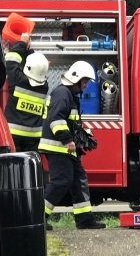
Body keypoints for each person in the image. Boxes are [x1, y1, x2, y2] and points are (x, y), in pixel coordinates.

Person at [39, 61, 105, 230]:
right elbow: (56, 119)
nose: (86, 85)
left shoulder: (69, 94)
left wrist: (81, 135)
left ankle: (84, 220)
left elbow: (69, 121)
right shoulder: (63, 93)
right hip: (58, 147)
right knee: (62, 181)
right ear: (76, 78)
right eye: (85, 81)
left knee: (78, 181)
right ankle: (38, 217)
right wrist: (68, 139)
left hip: (66, 148)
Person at [4, 32, 50, 152]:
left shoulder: (18, 80)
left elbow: (10, 60)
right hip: (33, 136)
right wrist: (28, 50)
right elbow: (35, 69)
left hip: (13, 134)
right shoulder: (44, 86)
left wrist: (22, 43)